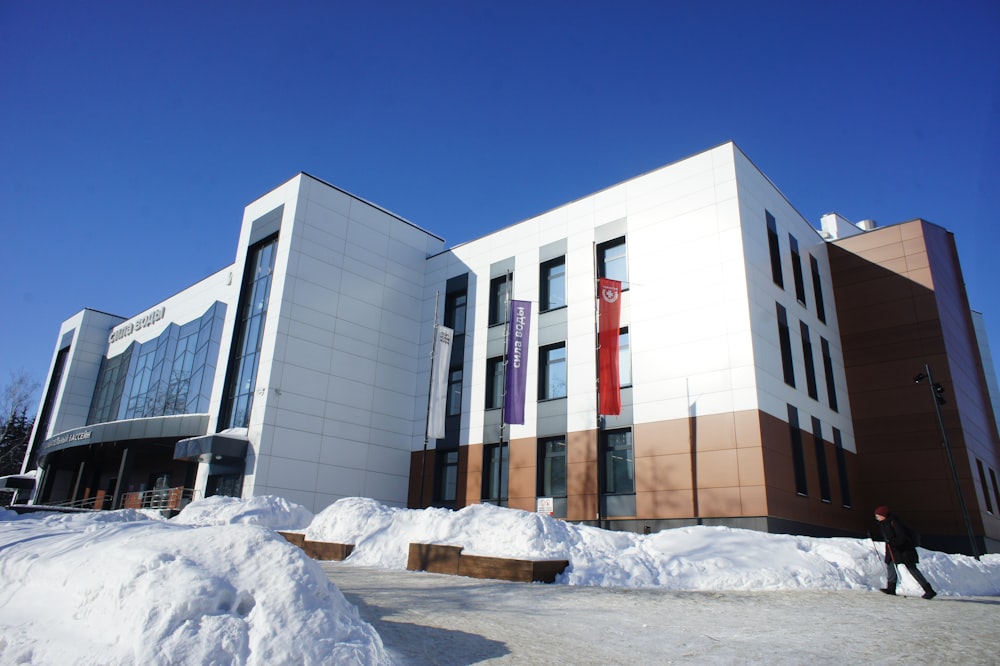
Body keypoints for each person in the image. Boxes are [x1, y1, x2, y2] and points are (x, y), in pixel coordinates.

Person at [874, 505, 936, 599]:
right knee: (890, 565)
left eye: (878, 515)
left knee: (912, 569)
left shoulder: (894, 522)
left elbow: (901, 537)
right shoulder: (884, 524)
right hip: (894, 551)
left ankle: (929, 590)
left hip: (905, 550)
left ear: (884, 515)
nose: (876, 517)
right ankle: (891, 588)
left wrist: (892, 542)